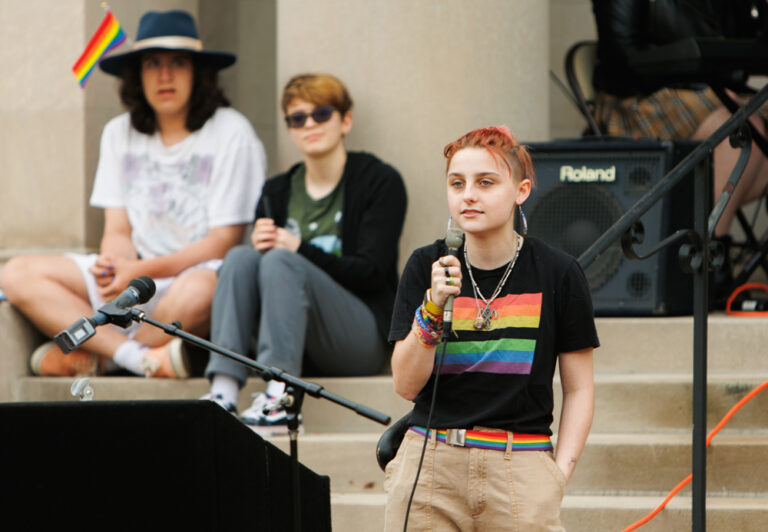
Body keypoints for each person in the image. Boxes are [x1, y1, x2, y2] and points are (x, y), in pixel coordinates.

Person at [0, 10, 265, 378]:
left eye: (178, 63)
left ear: (199, 73)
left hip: (195, 275)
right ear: (137, 76)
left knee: (201, 293)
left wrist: (139, 270)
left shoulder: (232, 132)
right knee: (17, 273)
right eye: (152, 63)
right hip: (135, 276)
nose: (165, 76)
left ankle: (103, 358)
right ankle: (138, 358)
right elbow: (119, 229)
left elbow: (223, 242)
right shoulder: (118, 133)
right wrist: (113, 265)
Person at [384, 126, 598, 531]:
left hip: (520, 464)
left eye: (486, 182)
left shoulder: (558, 272)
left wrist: (557, 475)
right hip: (432, 462)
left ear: (521, 190)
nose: (468, 194)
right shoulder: (426, 264)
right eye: (457, 183)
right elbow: (405, 385)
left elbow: (579, 387)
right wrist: (432, 307)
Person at [202, 73, 407, 435]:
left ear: (345, 120)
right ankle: (223, 391)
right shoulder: (276, 191)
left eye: (321, 114)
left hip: (358, 337)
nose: (309, 125)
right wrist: (262, 246)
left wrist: (298, 250)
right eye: (298, 118)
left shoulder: (379, 180)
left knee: (282, 259)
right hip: (292, 336)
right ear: (290, 128)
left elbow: (372, 271)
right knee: (240, 257)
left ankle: (281, 399)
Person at [590, 0, 768, 244]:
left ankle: (698, 237)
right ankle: (711, 251)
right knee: (743, 130)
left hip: (715, 92)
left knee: (746, 122)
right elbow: (622, 59)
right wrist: (698, 85)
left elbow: (747, 44)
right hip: (641, 97)